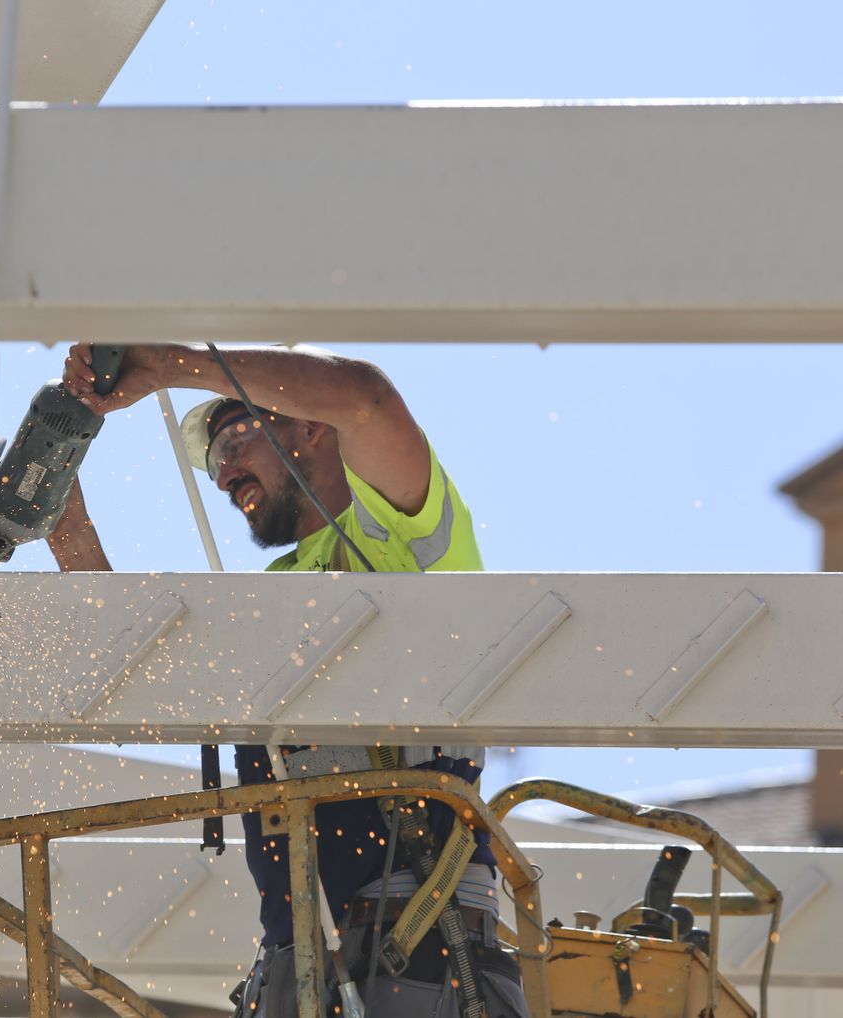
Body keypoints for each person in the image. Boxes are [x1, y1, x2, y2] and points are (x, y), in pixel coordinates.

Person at [49, 342, 528, 1018]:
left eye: (235, 441)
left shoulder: (399, 536)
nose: (223, 474)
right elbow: (145, 679)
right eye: (215, 461)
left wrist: (169, 365)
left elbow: (367, 399)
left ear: (309, 425)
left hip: (422, 956)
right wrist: (63, 515)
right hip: (307, 973)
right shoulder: (275, 598)